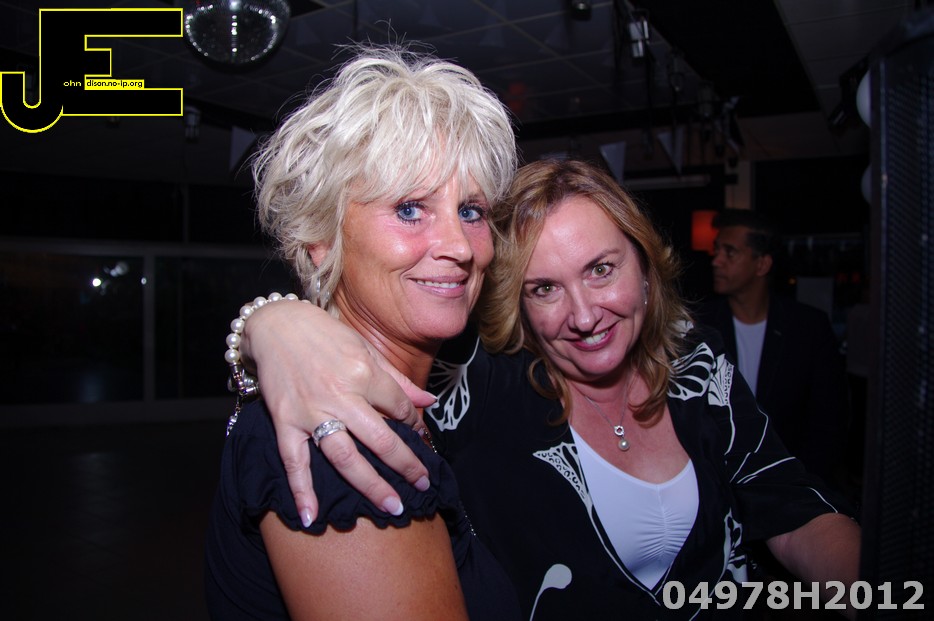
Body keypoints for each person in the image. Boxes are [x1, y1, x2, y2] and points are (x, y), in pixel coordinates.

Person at [231, 159, 861, 619]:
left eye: (601, 269)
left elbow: (790, 503)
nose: (583, 315)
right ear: (519, 306)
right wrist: (273, 324)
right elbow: (376, 350)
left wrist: (878, 595)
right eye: (544, 289)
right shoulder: (485, 386)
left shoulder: (698, 364)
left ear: (645, 266)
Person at [203, 43, 522, 621]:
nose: (458, 246)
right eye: (410, 208)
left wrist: (262, 321)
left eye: (471, 211)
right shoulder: (336, 441)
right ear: (321, 239)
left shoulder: (419, 398)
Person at [695, 209, 851, 491]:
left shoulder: (808, 328)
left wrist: (805, 490)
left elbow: (829, 421)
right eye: (717, 250)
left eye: (730, 252)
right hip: (719, 487)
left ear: (762, 264)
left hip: (791, 485)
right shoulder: (700, 325)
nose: (716, 260)